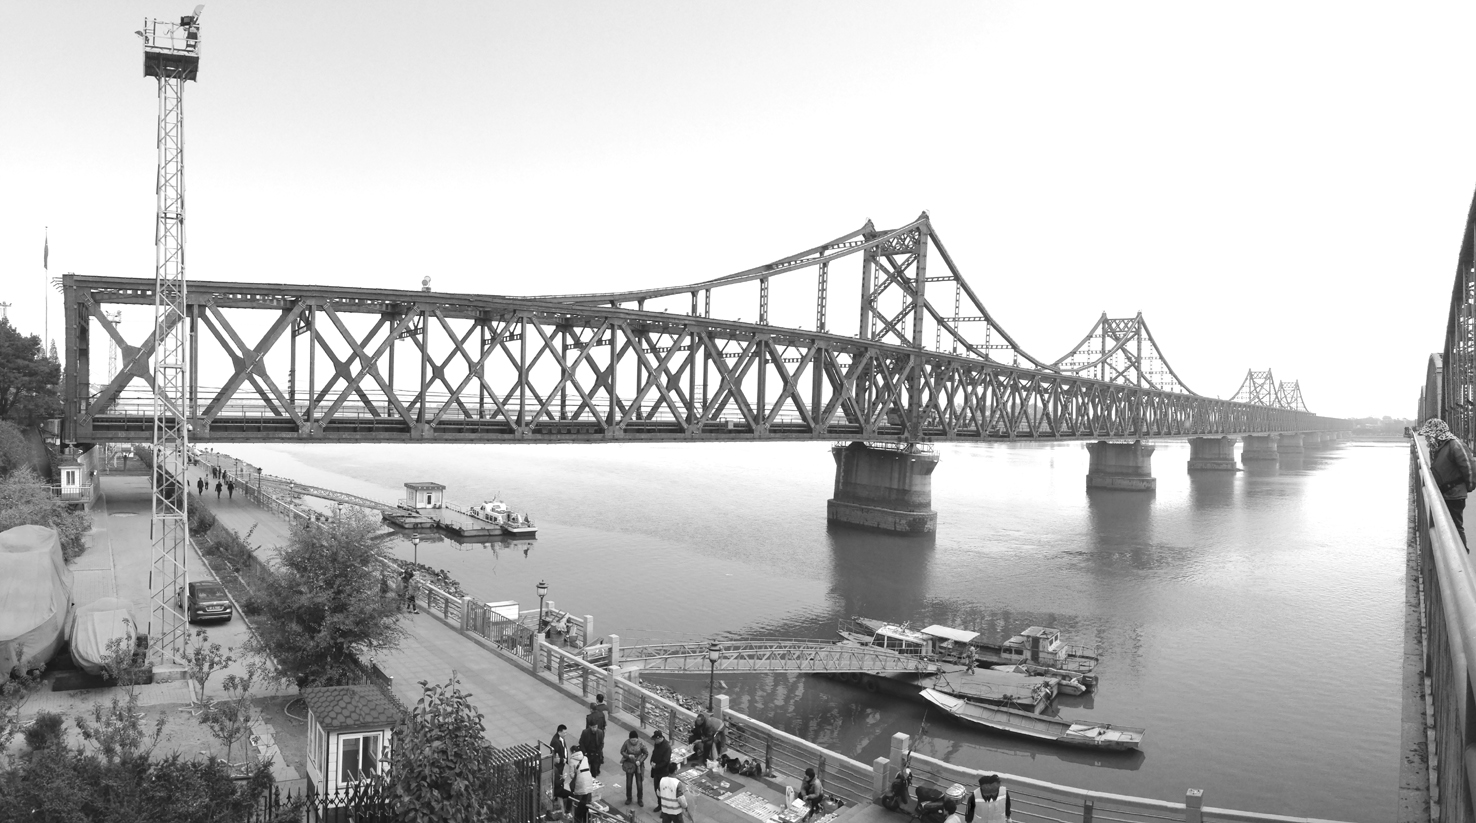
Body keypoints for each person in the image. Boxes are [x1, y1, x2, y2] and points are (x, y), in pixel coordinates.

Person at [1421, 418, 1476, 549]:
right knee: (1445, 526)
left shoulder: (1454, 445)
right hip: (1444, 493)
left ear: (1436, 433)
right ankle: (1449, 551)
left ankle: (1462, 553)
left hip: (1454, 494)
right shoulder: (1437, 446)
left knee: (1455, 527)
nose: (1426, 438)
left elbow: (1469, 467)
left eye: (1428, 435)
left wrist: (1469, 486)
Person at [566, 743, 595, 823]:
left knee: (578, 803)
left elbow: (572, 775)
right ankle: (587, 819)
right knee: (587, 804)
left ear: (573, 752)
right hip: (588, 781)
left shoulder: (572, 760)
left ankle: (577, 820)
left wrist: (576, 774)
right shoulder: (585, 758)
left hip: (580, 783)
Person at [620, 729, 649, 807]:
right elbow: (622, 751)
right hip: (629, 764)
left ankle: (640, 799)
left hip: (638, 765)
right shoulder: (626, 743)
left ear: (637, 739)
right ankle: (629, 798)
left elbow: (646, 753)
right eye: (632, 740)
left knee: (639, 783)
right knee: (629, 783)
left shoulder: (641, 743)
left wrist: (640, 761)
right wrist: (628, 756)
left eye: (635, 740)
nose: (633, 741)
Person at [649, 729, 672, 802]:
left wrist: (656, 766)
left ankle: (663, 805)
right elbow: (654, 753)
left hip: (663, 772)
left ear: (659, 738)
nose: (654, 741)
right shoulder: (657, 744)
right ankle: (659, 804)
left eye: (655, 739)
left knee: (663, 790)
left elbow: (665, 761)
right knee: (656, 789)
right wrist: (651, 761)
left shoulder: (667, 747)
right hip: (656, 771)